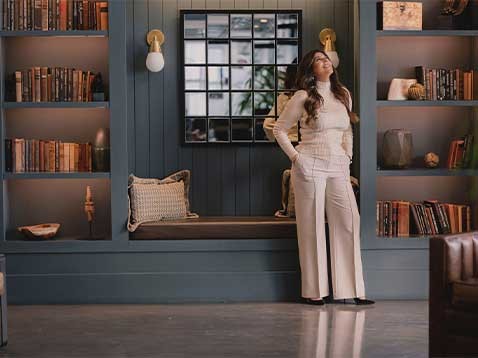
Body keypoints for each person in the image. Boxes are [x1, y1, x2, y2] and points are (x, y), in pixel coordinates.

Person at [273, 49, 375, 306]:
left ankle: (351, 289)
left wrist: (348, 157)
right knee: (312, 227)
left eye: (326, 58)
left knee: (349, 221)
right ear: (310, 69)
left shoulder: (343, 95)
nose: (325, 61)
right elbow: (279, 130)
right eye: (318, 60)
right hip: (310, 165)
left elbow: (347, 130)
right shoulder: (302, 97)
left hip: (338, 166)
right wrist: (298, 159)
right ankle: (314, 291)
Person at [263, 64, 299, 142]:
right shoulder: (286, 96)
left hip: (290, 143)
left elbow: (268, 125)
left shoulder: (285, 96)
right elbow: (268, 125)